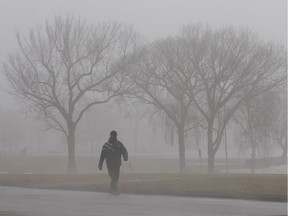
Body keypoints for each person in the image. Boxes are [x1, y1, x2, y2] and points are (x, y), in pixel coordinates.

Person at [98, 130, 128, 194]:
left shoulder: (119, 144)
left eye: (115, 135)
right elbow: (102, 155)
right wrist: (100, 164)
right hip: (110, 164)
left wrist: (125, 157)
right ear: (111, 135)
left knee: (116, 177)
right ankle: (114, 189)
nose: (114, 137)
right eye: (113, 135)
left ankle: (113, 189)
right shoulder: (106, 145)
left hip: (117, 164)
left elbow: (124, 150)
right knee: (112, 176)